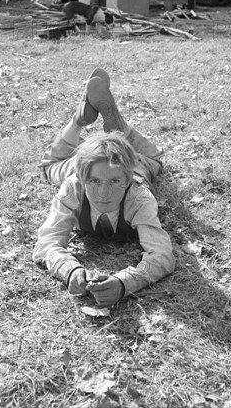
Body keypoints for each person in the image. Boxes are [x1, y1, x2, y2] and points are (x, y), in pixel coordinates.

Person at [33, 69, 175, 307]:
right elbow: (47, 242)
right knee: (50, 168)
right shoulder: (74, 186)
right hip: (82, 166)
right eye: (95, 183)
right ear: (82, 177)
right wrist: (70, 271)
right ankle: (79, 119)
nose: (103, 193)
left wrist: (125, 283)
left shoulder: (138, 196)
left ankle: (120, 128)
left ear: (127, 180)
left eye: (115, 183)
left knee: (155, 160)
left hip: (135, 164)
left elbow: (162, 255)